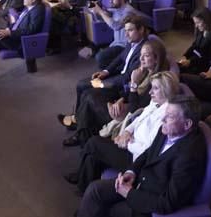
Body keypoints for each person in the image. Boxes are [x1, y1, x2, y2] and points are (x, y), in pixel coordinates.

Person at [31, 96, 207, 217]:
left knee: (96, 208)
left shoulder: (190, 156)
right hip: (141, 183)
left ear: (187, 124)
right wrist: (131, 171)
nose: (162, 120)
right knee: (95, 190)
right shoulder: (168, 129)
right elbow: (147, 155)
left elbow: (167, 203)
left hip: (149, 212)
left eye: (169, 117)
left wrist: (129, 193)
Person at [68, 69, 178, 193]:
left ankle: (81, 180)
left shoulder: (167, 116)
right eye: (151, 88)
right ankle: (83, 187)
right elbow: (138, 119)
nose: (150, 92)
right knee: (92, 157)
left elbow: (148, 151)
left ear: (166, 90)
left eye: (155, 89)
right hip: (129, 142)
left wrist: (127, 143)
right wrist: (126, 132)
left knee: (94, 142)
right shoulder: (155, 102)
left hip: (136, 159)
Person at [60, 15, 148, 145]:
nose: (126, 34)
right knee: (82, 86)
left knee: (85, 89)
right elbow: (119, 58)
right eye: (125, 30)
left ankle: (80, 129)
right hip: (116, 78)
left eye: (130, 30)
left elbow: (127, 77)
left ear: (141, 30)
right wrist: (105, 72)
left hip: (120, 87)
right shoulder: (132, 42)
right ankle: (79, 120)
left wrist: (103, 84)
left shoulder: (144, 50)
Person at [177, 7, 211, 75]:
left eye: (198, 22)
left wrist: (190, 61)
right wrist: (185, 56)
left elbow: (210, 57)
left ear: (206, 20)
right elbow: (194, 46)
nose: (196, 26)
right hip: (197, 60)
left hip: (207, 65)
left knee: (182, 74)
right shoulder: (202, 30)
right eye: (195, 23)